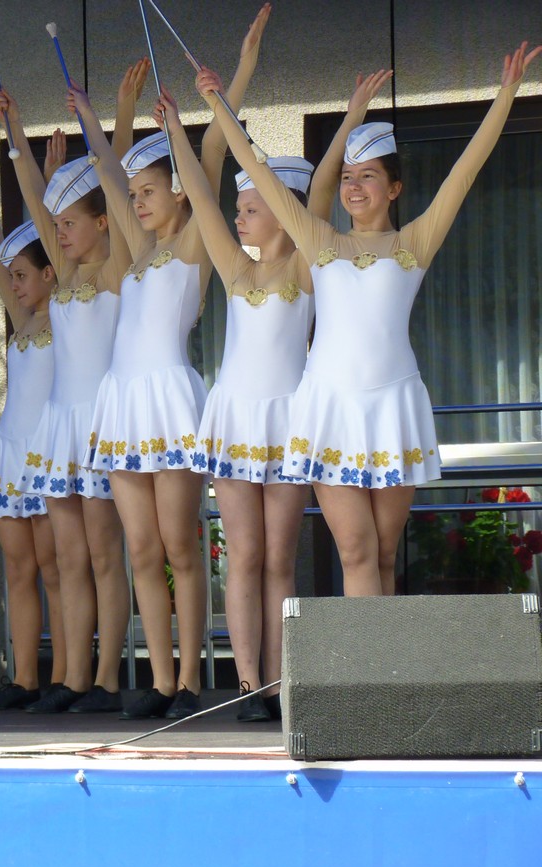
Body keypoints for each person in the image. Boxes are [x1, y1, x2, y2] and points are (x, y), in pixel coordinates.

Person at [201, 41, 541, 598]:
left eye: (368, 176)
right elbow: (258, 172)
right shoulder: (319, 240)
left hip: (393, 404)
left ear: (394, 187)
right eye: (348, 177)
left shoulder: (414, 242)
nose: (354, 187)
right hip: (329, 405)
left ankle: (382, 657)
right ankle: (368, 660)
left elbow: (465, 170)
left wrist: (506, 96)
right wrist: (218, 103)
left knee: (383, 553)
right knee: (357, 551)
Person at [70, 3, 270, 720]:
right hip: (122, 401)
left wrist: (235, 74)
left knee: (184, 549)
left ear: (179, 192)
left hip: (170, 399)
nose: (138, 203)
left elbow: (210, 149)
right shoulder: (136, 249)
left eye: (149, 192)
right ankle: (158, 680)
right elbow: (106, 168)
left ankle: (190, 679)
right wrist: (105, 116)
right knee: (142, 551)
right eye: (134, 197)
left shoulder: (195, 239)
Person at [176, 70, 393, 721]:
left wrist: (350, 117)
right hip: (234, 418)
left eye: (252, 205)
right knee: (242, 555)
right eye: (241, 206)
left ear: (282, 208)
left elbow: (321, 189)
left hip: (290, 418)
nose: (240, 214)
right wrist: (187, 121)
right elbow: (198, 195)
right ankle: (248, 683)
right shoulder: (235, 267)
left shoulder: (307, 262)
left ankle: (281, 681)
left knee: (278, 557)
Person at [0, 86, 133, 714]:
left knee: (105, 558)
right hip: (59, 430)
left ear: (102, 222)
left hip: (99, 425)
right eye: (57, 227)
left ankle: (106, 680)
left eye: (69, 223)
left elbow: (116, 182)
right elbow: (33, 195)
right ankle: (72, 677)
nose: (60, 234)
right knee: (71, 559)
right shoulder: (66, 272)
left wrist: (106, 120)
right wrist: (15, 129)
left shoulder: (115, 268)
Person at [0, 212, 66, 710]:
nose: (13, 285)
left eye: (22, 275)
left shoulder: (68, 312)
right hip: (11, 452)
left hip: (47, 451)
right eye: (12, 277)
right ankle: (25, 676)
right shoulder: (24, 318)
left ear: (49, 273)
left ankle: (67, 676)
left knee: (56, 569)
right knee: (18, 568)